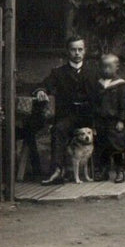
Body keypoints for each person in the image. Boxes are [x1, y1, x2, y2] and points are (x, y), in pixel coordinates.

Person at [34, 35, 96, 185]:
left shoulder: (93, 72)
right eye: (73, 49)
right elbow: (45, 84)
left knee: (104, 127)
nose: (77, 53)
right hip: (68, 115)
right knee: (58, 129)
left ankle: (101, 169)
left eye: (80, 49)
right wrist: (41, 91)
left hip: (88, 116)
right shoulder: (58, 73)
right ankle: (57, 170)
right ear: (68, 51)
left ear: (85, 51)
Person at [92, 53, 125, 183]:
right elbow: (95, 103)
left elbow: (124, 105)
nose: (106, 70)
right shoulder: (98, 84)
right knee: (102, 146)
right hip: (101, 121)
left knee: (117, 146)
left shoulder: (121, 85)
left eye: (109, 67)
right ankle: (104, 171)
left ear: (117, 67)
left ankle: (120, 171)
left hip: (114, 121)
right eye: (103, 67)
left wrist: (121, 120)